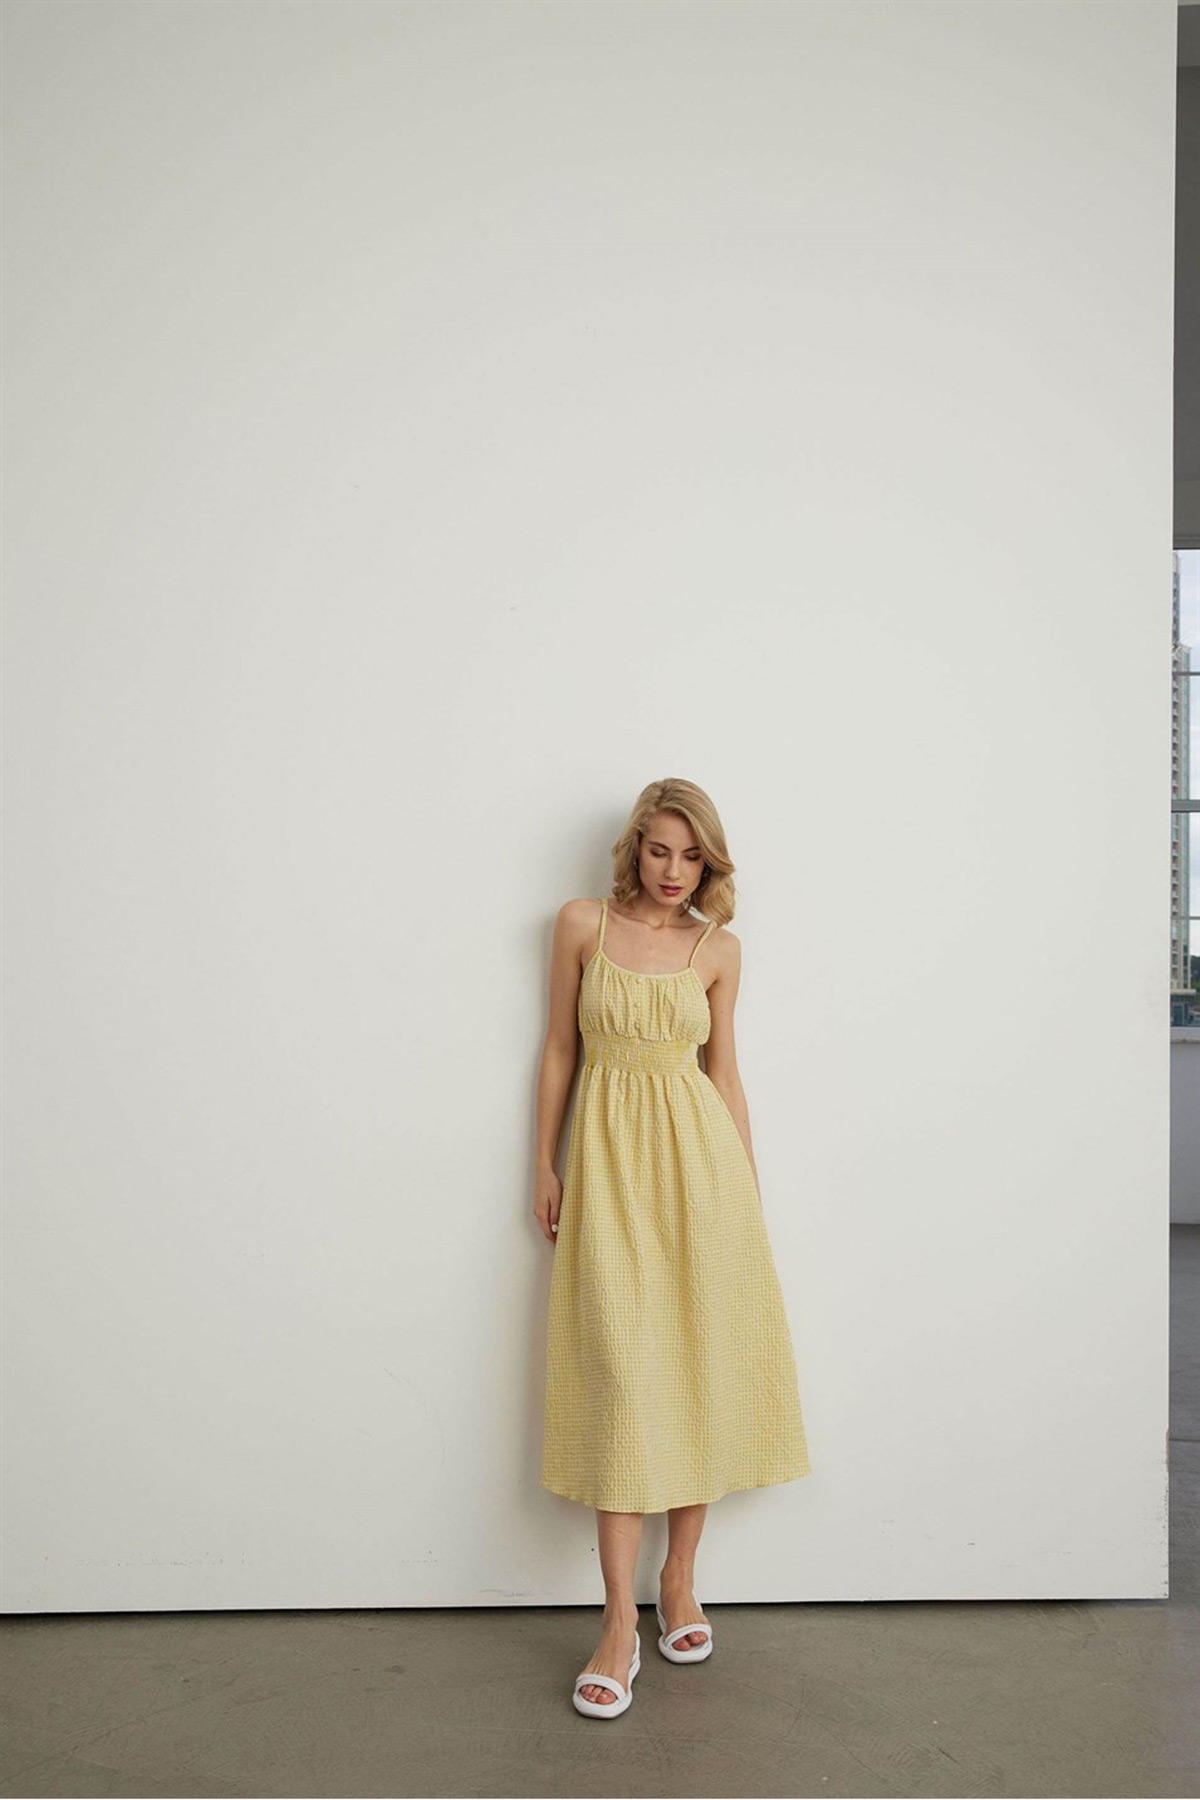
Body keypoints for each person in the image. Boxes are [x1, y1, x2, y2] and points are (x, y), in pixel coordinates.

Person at [535, 777, 812, 1718]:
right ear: (634, 847)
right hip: (609, 1172)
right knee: (621, 1381)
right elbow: (560, 1050)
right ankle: (618, 1620)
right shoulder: (581, 924)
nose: (673, 870)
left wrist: (748, 1196)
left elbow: (723, 1074)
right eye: (659, 849)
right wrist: (543, 1163)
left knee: (699, 1370)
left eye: (692, 856)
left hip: (704, 1178)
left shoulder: (718, 949)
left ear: (710, 863)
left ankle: (680, 1581)